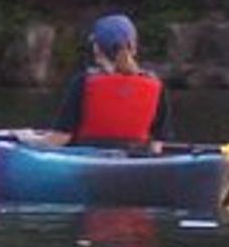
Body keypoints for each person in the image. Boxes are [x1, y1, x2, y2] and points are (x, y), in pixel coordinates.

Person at [19, 13, 170, 150]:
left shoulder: (83, 82)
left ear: (96, 48)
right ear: (134, 48)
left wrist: (26, 140)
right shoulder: (156, 86)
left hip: (87, 161)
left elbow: (59, 139)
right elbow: (157, 145)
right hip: (134, 162)